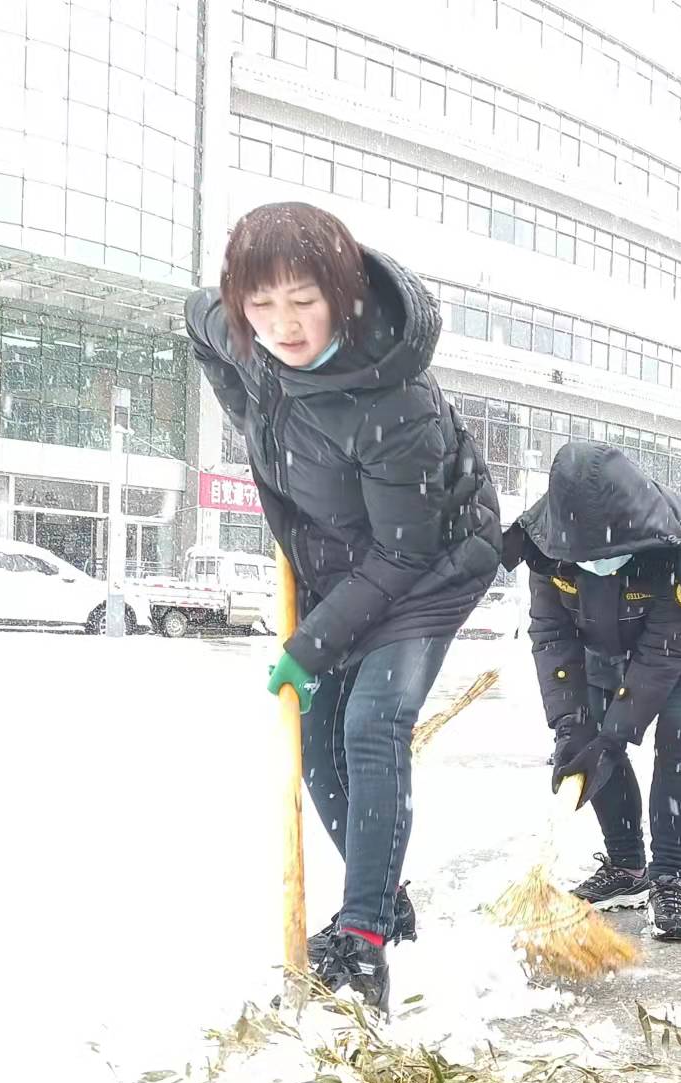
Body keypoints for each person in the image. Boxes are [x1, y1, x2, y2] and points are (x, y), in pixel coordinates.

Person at [188, 202, 501, 1010]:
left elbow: (403, 554)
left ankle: (363, 942)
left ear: (342, 289)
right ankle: (384, 892)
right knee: (317, 745)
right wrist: (247, 404)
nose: (282, 324)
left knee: (371, 723)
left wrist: (311, 645)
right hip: (340, 558)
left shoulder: (400, 406)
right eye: (261, 304)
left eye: (303, 299)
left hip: (430, 561)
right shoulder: (248, 340)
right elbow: (198, 325)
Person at [503, 441, 681, 941]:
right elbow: (552, 635)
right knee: (587, 736)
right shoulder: (547, 540)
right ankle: (625, 865)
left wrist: (615, 739)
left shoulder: (677, 539)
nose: (593, 563)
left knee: (677, 731)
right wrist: (571, 726)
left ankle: (668, 876)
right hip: (610, 638)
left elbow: (665, 652)